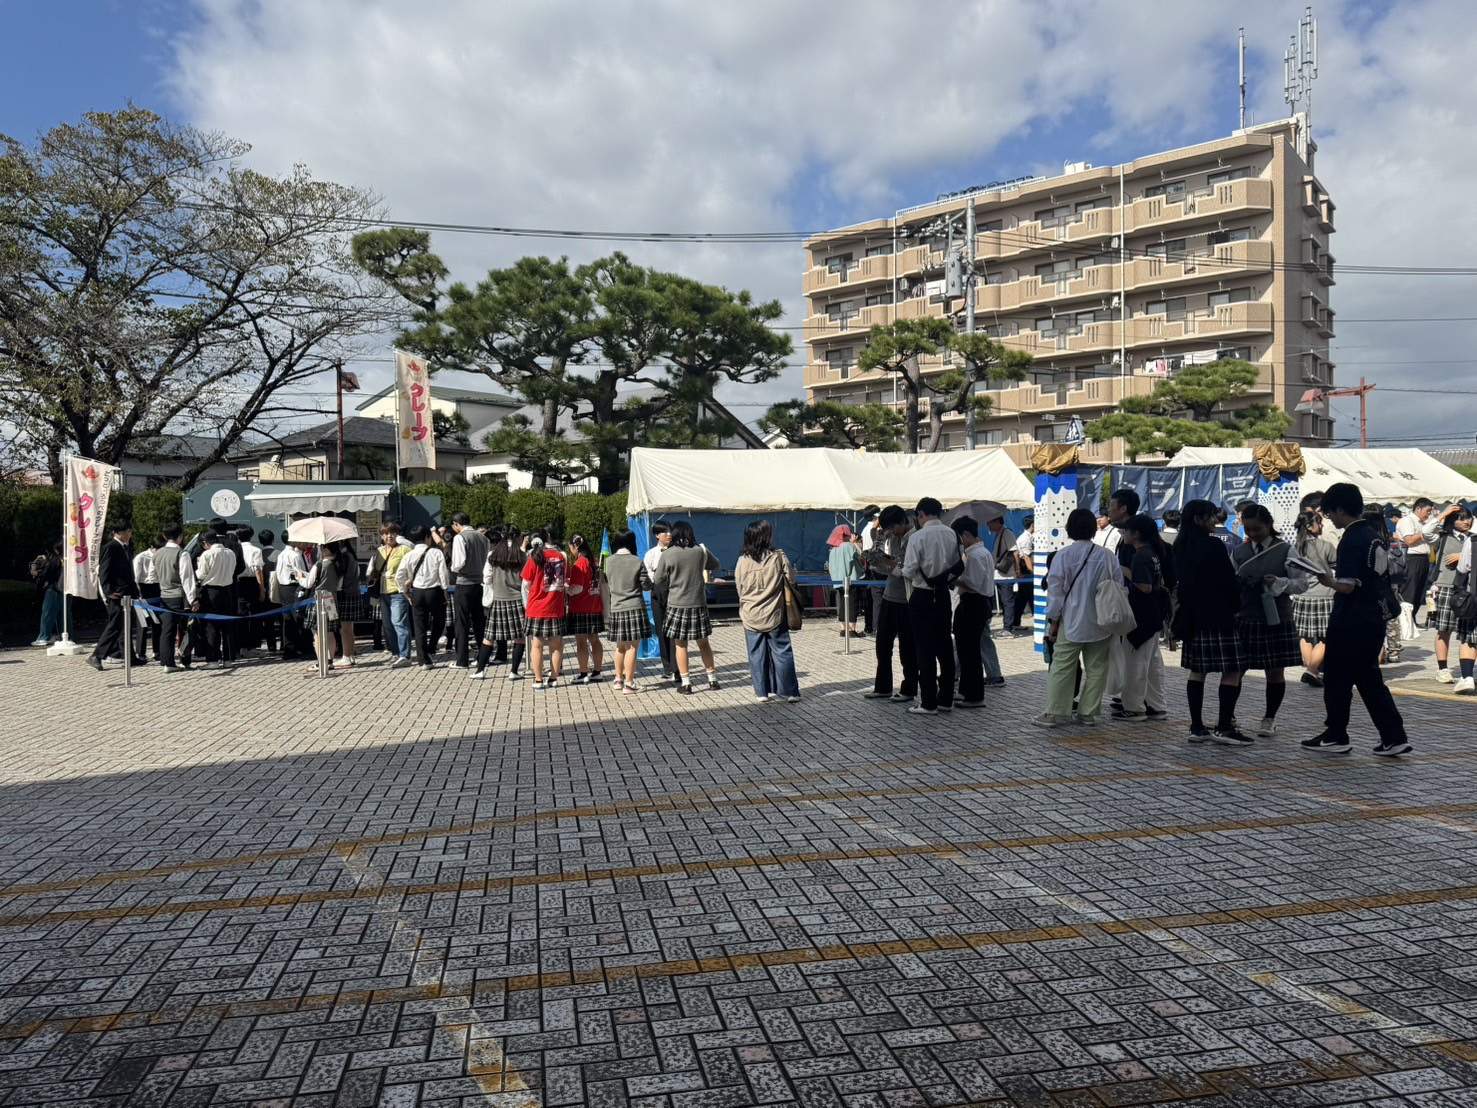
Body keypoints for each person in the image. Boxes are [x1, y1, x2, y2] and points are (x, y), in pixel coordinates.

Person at [1301, 483, 1412, 756]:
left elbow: (1348, 586)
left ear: (1340, 509)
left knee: (1337, 679)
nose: (1329, 519)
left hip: (1351, 619)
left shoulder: (1351, 539)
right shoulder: (1373, 535)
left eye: (1329, 513)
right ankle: (1394, 737)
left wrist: (1327, 579)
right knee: (1369, 680)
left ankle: (1336, 734)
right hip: (1374, 618)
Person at [1173, 500, 1250, 745]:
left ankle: (1197, 727)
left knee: (1198, 671)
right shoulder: (1212, 545)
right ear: (1198, 519)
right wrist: (1237, 602)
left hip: (1193, 616)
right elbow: (1228, 580)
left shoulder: (1180, 545)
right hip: (1219, 614)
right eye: (1210, 517)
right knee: (1232, 670)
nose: (1215, 522)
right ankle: (1224, 727)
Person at [1231, 504, 1309, 739]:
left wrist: (1279, 583)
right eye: (1248, 530)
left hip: (1276, 617)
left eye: (1258, 529)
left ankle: (1269, 718)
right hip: (1245, 616)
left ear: (1269, 525)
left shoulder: (1287, 550)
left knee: (1275, 671)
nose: (1253, 534)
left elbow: (1302, 584)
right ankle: (1229, 716)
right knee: (1235, 670)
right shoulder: (1238, 552)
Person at [1036, 508, 1118, 727]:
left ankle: (1053, 713)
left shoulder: (1063, 556)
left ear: (1069, 528)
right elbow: (1118, 586)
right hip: (1102, 621)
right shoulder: (1107, 556)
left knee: (1062, 666)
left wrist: (1053, 621)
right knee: (1097, 668)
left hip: (1070, 620)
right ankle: (1088, 713)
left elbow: (1056, 593)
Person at [902, 497, 962, 716]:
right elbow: (957, 564)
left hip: (922, 596)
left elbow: (908, 571)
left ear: (920, 514)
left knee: (924, 649)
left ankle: (928, 702)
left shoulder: (918, 537)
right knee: (944, 646)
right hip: (944, 595)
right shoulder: (953, 534)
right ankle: (946, 699)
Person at [734, 519, 801, 702]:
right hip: (775, 612)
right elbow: (792, 580)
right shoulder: (778, 556)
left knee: (756, 654)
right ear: (767, 536)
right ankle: (790, 692)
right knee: (782, 651)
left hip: (750, 613)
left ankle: (762, 692)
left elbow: (739, 587)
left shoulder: (742, 560)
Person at [653, 521, 721, 694]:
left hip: (677, 604)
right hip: (698, 604)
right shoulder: (700, 551)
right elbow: (716, 564)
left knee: (681, 645)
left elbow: (659, 579)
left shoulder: (668, 554)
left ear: (674, 534)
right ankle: (712, 680)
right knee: (703, 643)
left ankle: (686, 683)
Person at [1115, 515, 1169, 722]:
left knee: (1135, 664)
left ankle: (1134, 708)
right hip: (1153, 616)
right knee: (1153, 665)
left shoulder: (1140, 556)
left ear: (1136, 534)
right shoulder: (1153, 553)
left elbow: (1144, 586)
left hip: (1140, 618)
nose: (1124, 534)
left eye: (1126, 531)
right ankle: (1157, 706)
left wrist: (1125, 572)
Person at [863, 506, 917, 703]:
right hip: (889, 596)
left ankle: (909, 688)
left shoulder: (915, 539)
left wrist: (893, 566)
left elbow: (909, 571)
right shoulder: (893, 540)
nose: (891, 532)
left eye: (892, 527)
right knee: (882, 644)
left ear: (903, 521)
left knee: (907, 648)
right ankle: (883, 686)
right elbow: (892, 569)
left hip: (907, 599)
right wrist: (877, 563)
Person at [1422, 504, 1473, 685]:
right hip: (1444, 587)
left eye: (1468, 517)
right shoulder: (1442, 537)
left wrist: (1462, 555)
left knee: (1467, 631)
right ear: (1452, 521)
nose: (1466, 521)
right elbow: (1425, 531)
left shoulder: (1473, 539)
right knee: (1444, 629)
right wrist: (1443, 514)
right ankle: (1442, 669)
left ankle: (1467, 670)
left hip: (1467, 589)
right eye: (1460, 518)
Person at [1291, 509, 1337, 688]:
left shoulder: (1293, 548)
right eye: (1319, 522)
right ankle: (1312, 670)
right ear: (1310, 527)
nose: (1322, 525)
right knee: (1327, 637)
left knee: (1306, 637)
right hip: (1325, 595)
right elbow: (1336, 565)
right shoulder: (1326, 546)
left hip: (1301, 596)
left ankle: (1313, 672)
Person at [477, 528, 529, 681]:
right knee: (519, 637)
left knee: (489, 637)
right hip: (517, 600)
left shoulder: (492, 554)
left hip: (498, 599)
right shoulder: (522, 555)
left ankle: (480, 671)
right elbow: (526, 580)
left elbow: (486, 578)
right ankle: (514, 672)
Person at [950, 517, 991, 709]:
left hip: (973, 602)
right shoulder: (981, 552)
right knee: (967, 650)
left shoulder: (975, 555)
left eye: (960, 538)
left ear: (966, 534)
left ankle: (974, 696)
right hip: (977, 603)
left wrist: (953, 578)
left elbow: (973, 583)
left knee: (970, 651)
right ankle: (966, 691)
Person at [397, 525, 451, 671]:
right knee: (439, 622)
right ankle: (431, 647)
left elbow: (399, 575)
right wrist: (445, 589)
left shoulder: (408, 555)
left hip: (418, 592)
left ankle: (423, 661)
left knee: (420, 627)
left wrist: (404, 591)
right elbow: (443, 573)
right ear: (428, 537)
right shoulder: (436, 552)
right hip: (435, 591)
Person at [604, 530, 651, 694]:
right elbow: (646, 585)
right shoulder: (637, 561)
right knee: (632, 647)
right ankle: (629, 683)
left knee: (620, 647)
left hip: (616, 607)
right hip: (634, 606)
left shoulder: (608, 561)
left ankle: (618, 680)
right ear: (632, 542)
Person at [87, 522, 138, 672]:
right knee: (115, 626)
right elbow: (104, 572)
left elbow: (129, 573)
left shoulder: (126, 548)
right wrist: (109, 592)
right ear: (117, 533)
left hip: (127, 592)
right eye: (125, 532)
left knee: (126, 626)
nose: (128, 534)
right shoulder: (110, 547)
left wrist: (136, 592)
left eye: (129, 531)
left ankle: (130, 657)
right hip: (117, 594)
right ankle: (97, 655)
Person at [521, 531, 568, 689]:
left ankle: (538, 679)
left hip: (536, 607)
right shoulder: (561, 556)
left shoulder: (534, 557)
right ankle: (554, 679)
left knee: (537, 645)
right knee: (556, 645)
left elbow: (526, 583)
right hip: (556, 606)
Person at [449, 512, 491, 670]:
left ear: (456, 524)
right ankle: (483, 656)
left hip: (464, 582)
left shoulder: (460, 537)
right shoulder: (483, 538)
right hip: (480, 583)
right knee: (479, 621)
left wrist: (453, 569)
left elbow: (458, 563)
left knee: (462, 622)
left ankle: (462, 660)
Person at [369, 524, 413, 668]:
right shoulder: (379, 552)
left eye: (392, 533)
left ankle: (404, 655)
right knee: (387, 626)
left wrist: (407, 585)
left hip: (398, 592)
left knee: (399, 623)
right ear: (381, 536)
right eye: (386, 534)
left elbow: (412, 569)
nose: (389, 536)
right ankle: (395, 653)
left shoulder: (404, 549)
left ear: (397, 534)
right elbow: (374, 571)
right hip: (383, 593)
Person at [193, 532, 237, 669]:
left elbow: (201, 574)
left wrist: (196, 568)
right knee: (227, 626)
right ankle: (229, 658)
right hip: (227, 590)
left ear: (206, 542)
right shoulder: (230, 552)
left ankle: (213, 659)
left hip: (211, 591)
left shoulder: (207, 554)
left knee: (211, 626)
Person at [566, 533, 606, 683]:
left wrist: (565, 588)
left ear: (575, 546)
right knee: (595, 640)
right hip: (594, 605)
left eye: (571, 547)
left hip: (580, 606)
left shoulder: (579, 563)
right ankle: (597, 672)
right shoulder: (594, 561)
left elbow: (576, 588)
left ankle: (583, 674)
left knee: (581, 642)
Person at [1394, 498, 1435, 635]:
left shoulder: (1423, 522)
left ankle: (1412, 619)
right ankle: (1405, 621)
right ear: (1418, 509)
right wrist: (1425, 531)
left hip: (1424, 558)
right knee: (1410, 591)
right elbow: (1410, 540)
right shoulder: (1407, 521)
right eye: (1427, 511)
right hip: (1412, 558)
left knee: (1419, 592)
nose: (1428, 514)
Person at [643, 521, 677, 679]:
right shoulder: (651, 554)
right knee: (661, 631)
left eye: (670, 531)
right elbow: (647, 573)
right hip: (657, 593)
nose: (669, 534)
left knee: (674, 631)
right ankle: (667, 667)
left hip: (674, 593)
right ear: (657, 535)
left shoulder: (676, 551)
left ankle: (676, 667)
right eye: (665, 532)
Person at [985, 515, 1022, 635]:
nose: (988, 526)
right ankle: (1008, 626)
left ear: (997, 521)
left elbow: (1015, 552)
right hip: (999, 574)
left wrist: (1017, 571)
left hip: (1006, 575)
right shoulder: (999, 534)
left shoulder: (1006, 533)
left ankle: (1008, 628)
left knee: (1007, 601)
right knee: (1004, 601)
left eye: (990, 522)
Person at [275, 539, 311, 660]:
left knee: (288, 619)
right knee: (300, 618)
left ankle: (290, 649)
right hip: (294, 587)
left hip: (284, 588)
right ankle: (306, 649)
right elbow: (302, 574)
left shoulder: (283, 554)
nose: (306, 543)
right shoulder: (295, 556)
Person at [828, 525, 865, 638]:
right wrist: (854, 543)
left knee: (843, 604)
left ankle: (843, 628)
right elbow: (862, 556)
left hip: (838, 580)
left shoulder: (833, 549)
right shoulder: (848, 546)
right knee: (852, 604)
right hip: (851, 579)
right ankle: (852, 629)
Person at [131, 536, 162, 662]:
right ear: (153, 548)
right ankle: (141, 652)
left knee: (157, 622)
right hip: (143, 590)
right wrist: (138, 595)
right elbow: (136, 577)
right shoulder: (141, 557)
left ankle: (157, 651)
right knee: (143, 624)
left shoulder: (161, 557)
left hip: (157, 589)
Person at [32, 541, 65, 647]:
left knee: (48, 614)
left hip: (54, 589)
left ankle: (44, 637)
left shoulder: (55, 560)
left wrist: (37, 575)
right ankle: (63, 636)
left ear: (56, 550)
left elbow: (47, 573)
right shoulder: (70, 560)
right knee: (63, 616)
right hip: (67, 590)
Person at [1014, 513, 1036, 633]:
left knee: (1022, 598)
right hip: (1026, 571)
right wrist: (1033, 572)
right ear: (1032, 524)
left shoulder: (1030, 537)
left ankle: (1015, 622)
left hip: (1027, 571)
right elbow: (1026, 557)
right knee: (1032, 597)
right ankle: (1038, 621)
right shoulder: (1025, 538)